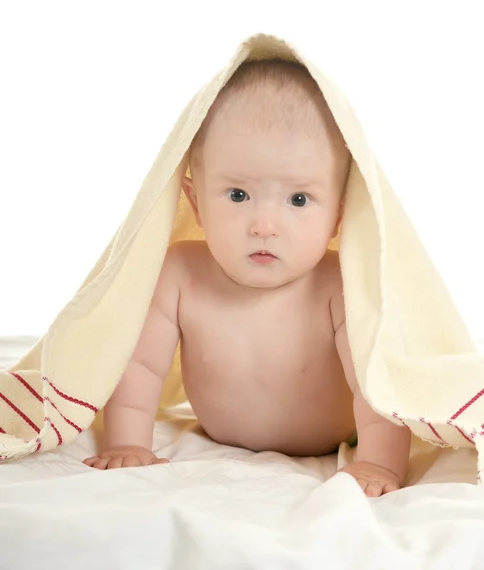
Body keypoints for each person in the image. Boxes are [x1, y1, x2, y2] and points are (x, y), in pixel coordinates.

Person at [83, 60, 410, 497]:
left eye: (298, 199)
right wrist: (127, 442)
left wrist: (377, 463)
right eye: (238, 195)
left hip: (332, 438)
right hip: (219, 435)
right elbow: (140, 367)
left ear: (340, 214)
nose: (264, 225)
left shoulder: (337, 286)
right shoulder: (180, 273)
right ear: (195, 202)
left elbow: (376, 386)